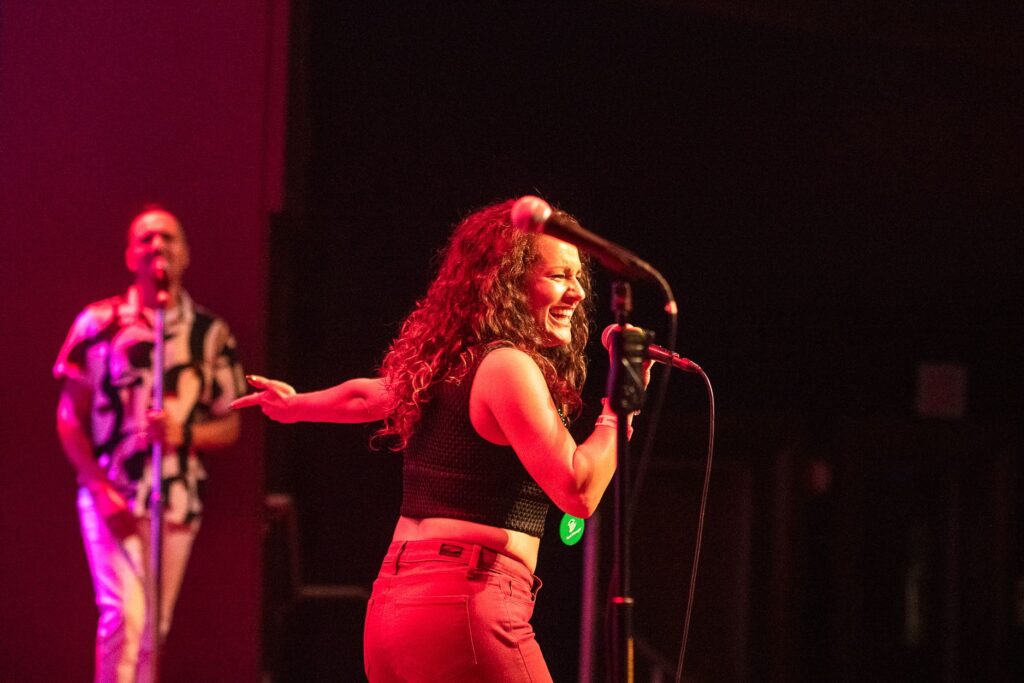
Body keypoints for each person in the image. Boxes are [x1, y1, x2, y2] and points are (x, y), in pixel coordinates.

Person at [232, 198, 646, 682]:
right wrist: (620, 407)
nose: (577, 293)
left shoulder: (446, 364)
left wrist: (297, 405)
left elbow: (367, 397)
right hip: (466, 602)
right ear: (507, 283)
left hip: (395, 607)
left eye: (578, 277)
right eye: (558, 276)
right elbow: (578, 490)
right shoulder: (507, 366)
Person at [54, 206, 245, 683]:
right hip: (112, 494)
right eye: (146, 239)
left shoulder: (211, 334)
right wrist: (99, 488)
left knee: (151, 630)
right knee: (125, 615)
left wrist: (182, 434)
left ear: (185, 254)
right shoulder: (98, 324)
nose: (157, 247)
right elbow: (68, 417)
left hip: (175, 498)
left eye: (168, 239)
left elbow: (231, 424)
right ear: (130, 255)